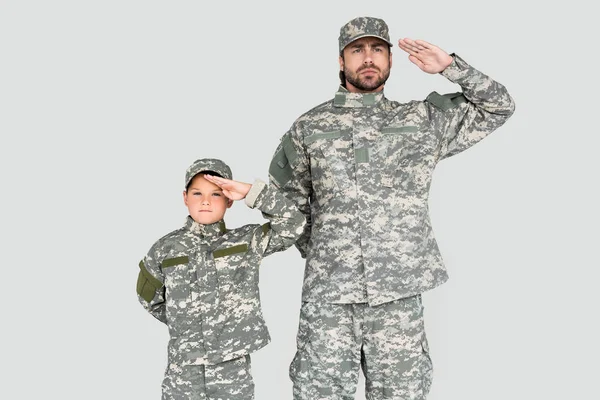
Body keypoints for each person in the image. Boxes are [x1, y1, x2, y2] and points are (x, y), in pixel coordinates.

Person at [268, 16, 515, 400]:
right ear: (341, 61)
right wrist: (330, 253)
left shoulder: (420, 121)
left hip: (398, 297)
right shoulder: (309, 127)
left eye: (377, 49)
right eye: (357, 50)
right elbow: (289, 206)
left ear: (390, 60)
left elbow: (499, 107)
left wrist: (451, 67)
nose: (368, 58)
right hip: (329, 298)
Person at [136, 158, 305, 400]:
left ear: (229, 200)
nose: (205, 201)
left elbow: (293, 224)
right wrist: (187, 323)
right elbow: (149, 297)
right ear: (185, 198)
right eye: (197, 193)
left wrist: (251, 192)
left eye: (216, 194)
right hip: (183, 369)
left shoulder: (246, 241)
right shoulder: (165, 248)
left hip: (231, 367)